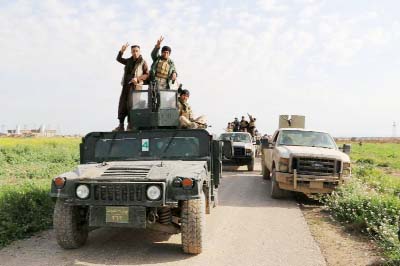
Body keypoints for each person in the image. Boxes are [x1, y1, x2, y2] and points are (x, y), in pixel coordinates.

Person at [115, 43, 149, 131]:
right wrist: (121, 51)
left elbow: (147, 74)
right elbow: (118, 59)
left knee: (133, 105)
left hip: (136, 87)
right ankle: (121, 125)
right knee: (122, 104)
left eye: (137, 51)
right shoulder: (128, 61)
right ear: (131, 52)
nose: (135, 53)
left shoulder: (143, 62)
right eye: (133, 51)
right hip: (126, 86)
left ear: (139, 51)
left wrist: (137, 79)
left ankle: (130, 125)